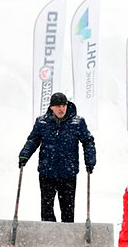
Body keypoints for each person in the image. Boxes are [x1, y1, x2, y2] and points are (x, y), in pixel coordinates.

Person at [18, 92, 95, 223]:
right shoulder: (42, 122)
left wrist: (90, 160)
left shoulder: (78, 122)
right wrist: (25, 154)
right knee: (46, 208)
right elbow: (33, 140)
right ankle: (48, 236)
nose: (61, 109)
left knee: (68, 209)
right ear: (51, 107)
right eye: (58, 106)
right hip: (47, 172)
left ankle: (67, 237)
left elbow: (88, 141)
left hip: (68, 173)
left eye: (63, 105)